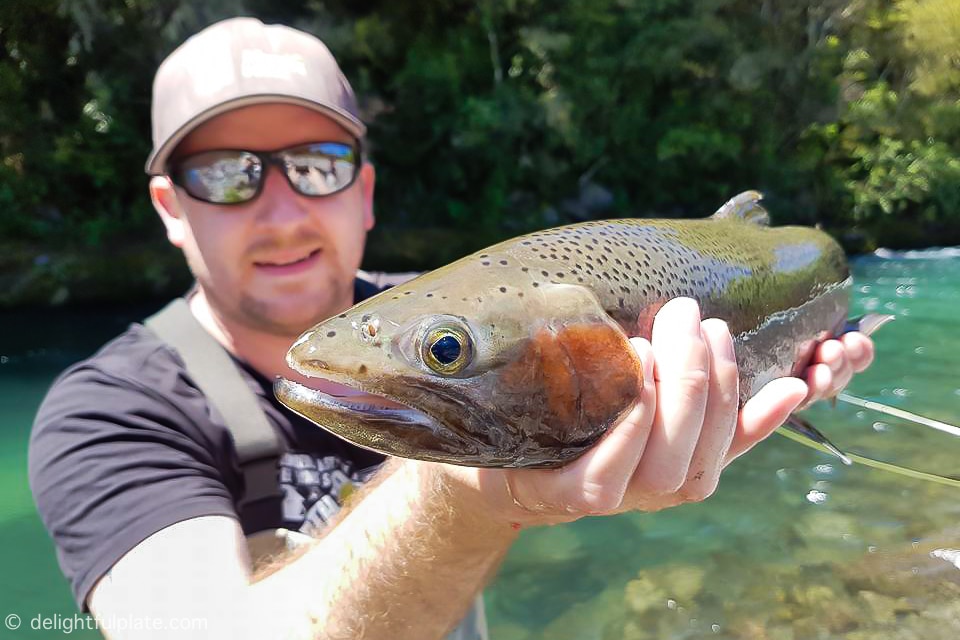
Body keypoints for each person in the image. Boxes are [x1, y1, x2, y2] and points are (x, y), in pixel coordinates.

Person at [28, 17, 875, 640]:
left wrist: (792, 379)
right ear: (170, 208)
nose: (280, 210)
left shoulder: (457, 302)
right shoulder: (107, 414)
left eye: (315, 165)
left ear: (363, 191)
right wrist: (468, 498)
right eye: (225, 174)